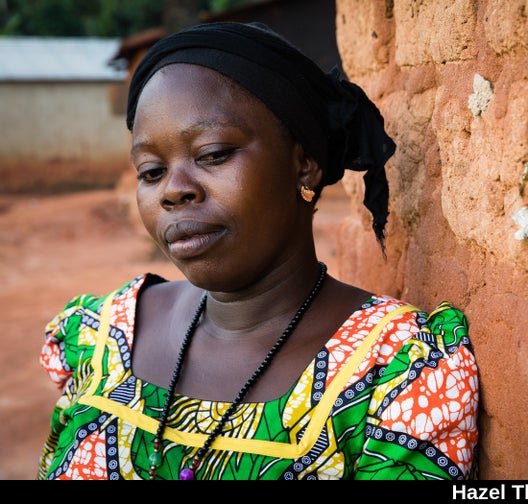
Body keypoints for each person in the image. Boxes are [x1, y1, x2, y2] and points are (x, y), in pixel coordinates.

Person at [36, 21, 480, 480]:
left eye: (212, 154)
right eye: (151, 171)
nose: (174, 191)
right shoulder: (102, 338)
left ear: (304, 165)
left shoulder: (395, 373)